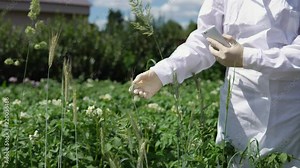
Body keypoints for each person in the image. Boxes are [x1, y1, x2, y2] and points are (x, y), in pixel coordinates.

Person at [130, 0, 300, 167]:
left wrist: (246, 57)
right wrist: (163, 72)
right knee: (237, 160)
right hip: (239, 108)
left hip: (288, 114)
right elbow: (204, 41)